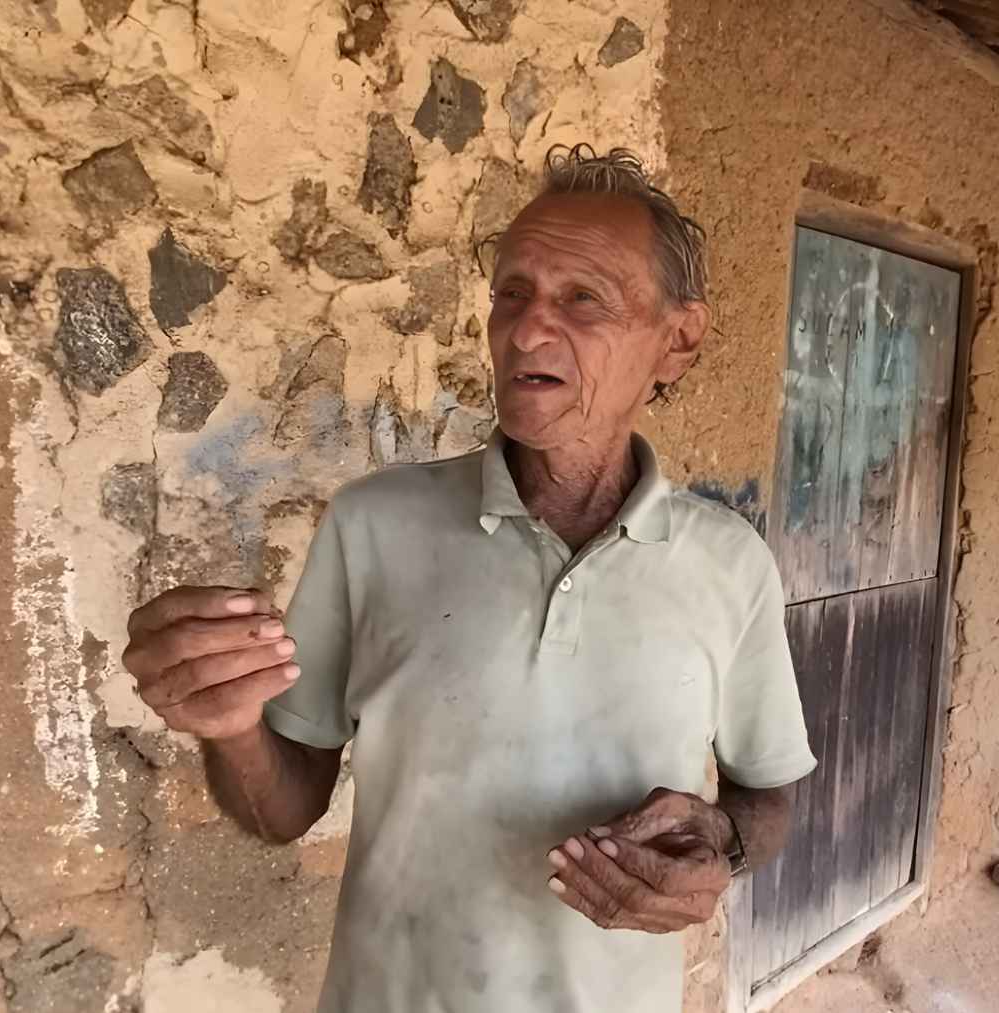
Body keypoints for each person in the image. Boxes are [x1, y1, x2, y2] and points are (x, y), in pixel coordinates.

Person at [120, 145, 816, 1012]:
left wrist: (723, 841)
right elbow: (282, 807)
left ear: (678, 339)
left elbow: (772, 791)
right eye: (511, 294)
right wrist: (229, 728)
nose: (526, 330)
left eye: (583, 299)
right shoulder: (374, 525)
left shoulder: (728, 563)